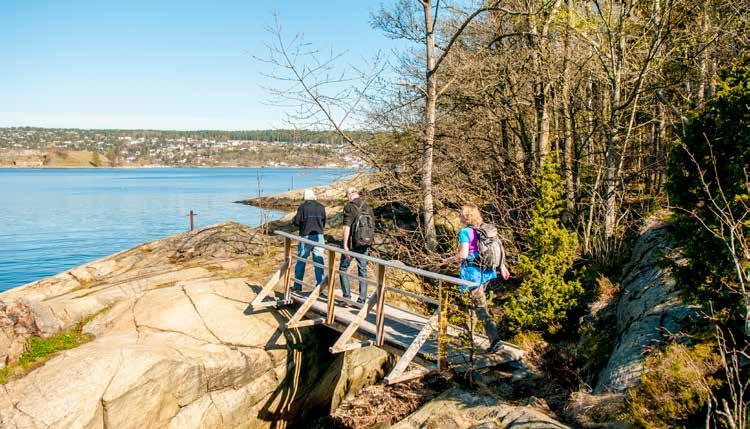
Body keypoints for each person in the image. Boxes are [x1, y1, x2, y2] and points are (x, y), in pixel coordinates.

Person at [443, 204, 502, 352]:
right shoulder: (483, 229)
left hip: (472, 275)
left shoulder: (465, 232)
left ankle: (495, 341)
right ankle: (467, 338)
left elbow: (463, 254)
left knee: (480, 308)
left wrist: (448, 260)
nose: (459, 216)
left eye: (461, 214)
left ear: (467, 216)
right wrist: (502, 266)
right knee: (473, 306)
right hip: (485, 272)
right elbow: (498, 247)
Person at [339, 186, 375, 303]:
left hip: (351, 244)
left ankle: (346, 297)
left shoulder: (349, 207)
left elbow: (346, 227)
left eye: (347, 196)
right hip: (364, 243)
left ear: (349, 195)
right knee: (362, 270)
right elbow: (372, 226)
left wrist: (345, 245)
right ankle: (362, 299)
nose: (347, 198)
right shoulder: (367, 206)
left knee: (343, 269)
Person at [291, 189, 326, 292]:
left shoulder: (302, 207)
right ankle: (320, 286)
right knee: (319, 261)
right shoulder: (321, 207)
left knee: (302, 260)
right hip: (319, 236)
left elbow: (297, 222)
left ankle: (297, 286)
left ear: (305, 197)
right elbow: (324, 221)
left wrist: (293, 221)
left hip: (306, 235)